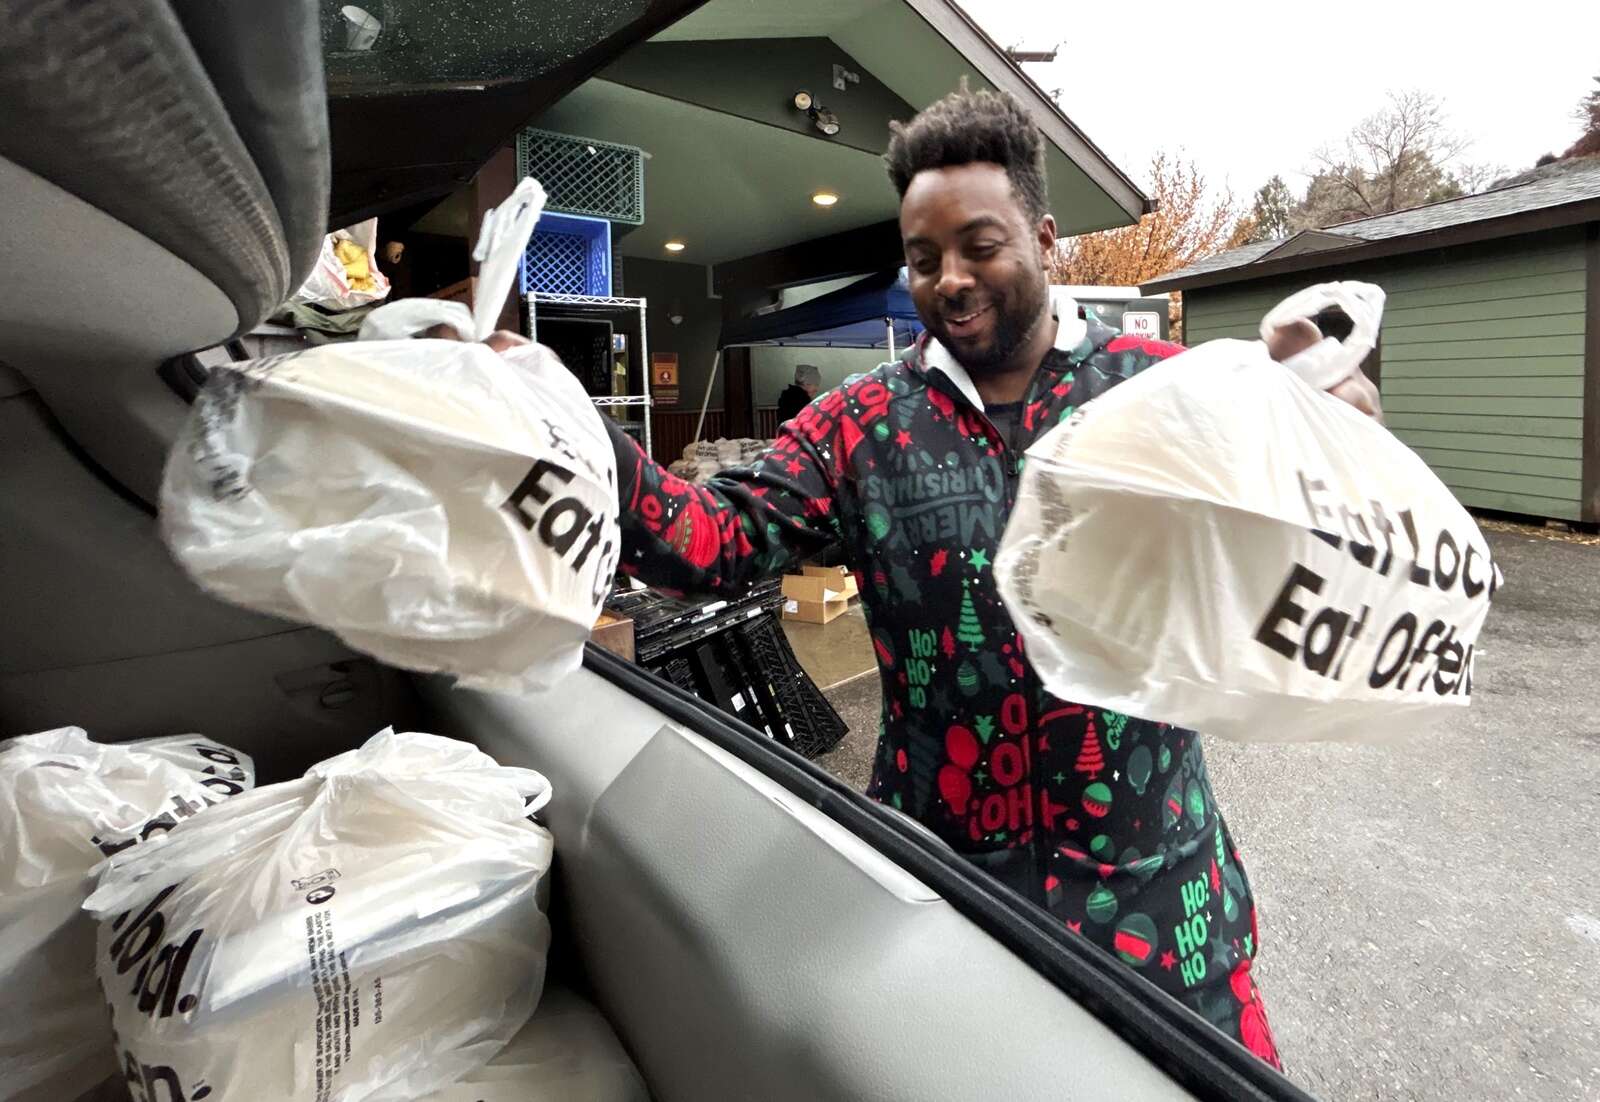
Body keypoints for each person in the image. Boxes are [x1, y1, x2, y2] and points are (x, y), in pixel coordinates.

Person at [482, 86, 1378, 1067]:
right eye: (921, 258)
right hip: (944, 893)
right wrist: (560, 425)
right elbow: (710, 543)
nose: (948, 279)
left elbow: (1306, 547)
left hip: (1158, 893)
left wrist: (1336, 443)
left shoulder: (1156, 387)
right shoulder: (861, 424)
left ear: (1043, 238)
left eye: (979, 246)